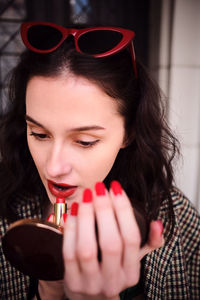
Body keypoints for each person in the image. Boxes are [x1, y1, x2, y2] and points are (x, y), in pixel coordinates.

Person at [0, 22, 199, 300]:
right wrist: (49, 290)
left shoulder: (174, 218)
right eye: (39, 133)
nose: (53, 167)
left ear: (129, 133)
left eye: (85, 141)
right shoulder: (5, 208)